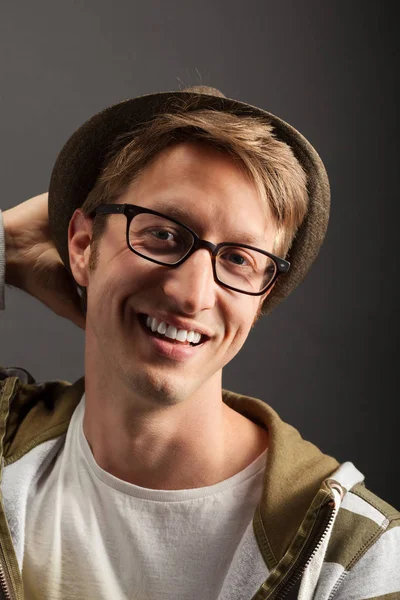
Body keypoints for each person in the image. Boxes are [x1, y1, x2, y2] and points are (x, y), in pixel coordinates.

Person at [0, 86, 398, 600]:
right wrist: (5, 245)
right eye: (163, 234)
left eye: (239, 259)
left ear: (261, 296)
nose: (191, 294)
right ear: (82, 244)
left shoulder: (355, 555)